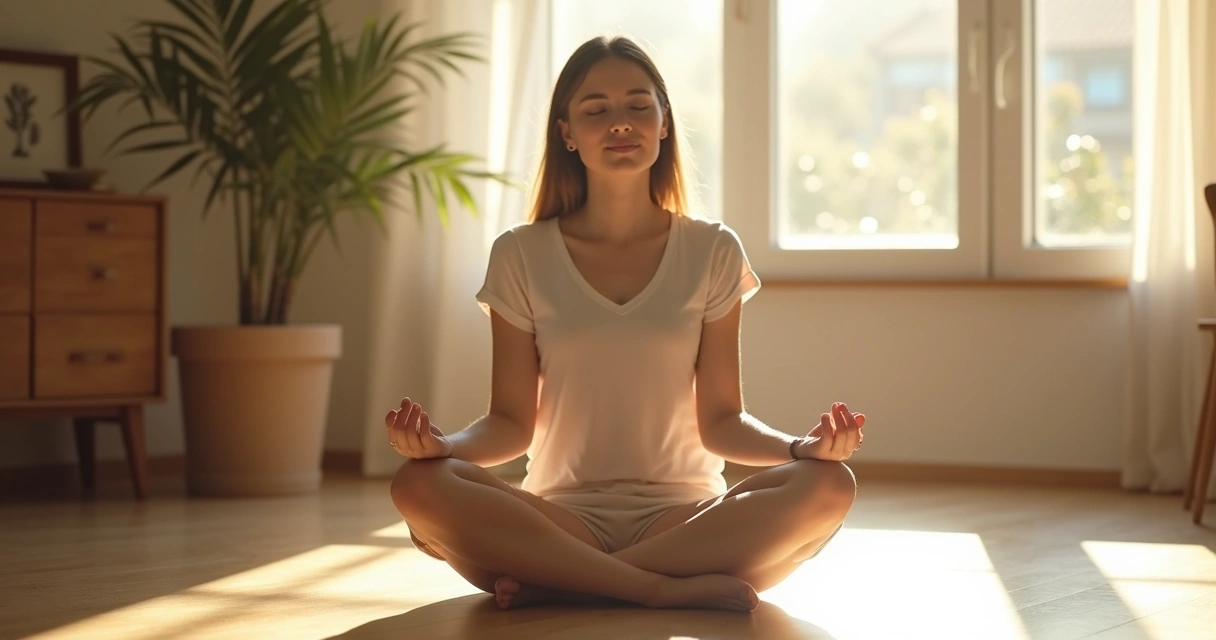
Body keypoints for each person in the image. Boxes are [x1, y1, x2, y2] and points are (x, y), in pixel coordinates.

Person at [388, 35, 865, 614]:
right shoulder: (519, 253)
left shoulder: (712, 249)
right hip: (559, 518)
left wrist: (800, 447)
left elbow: (722, 422)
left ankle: (562, 585)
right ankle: (656, 588)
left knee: (830, 484)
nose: (620, 122)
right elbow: (511, 423)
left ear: (664, 123)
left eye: (639, 105)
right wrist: (443, 446)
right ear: (566, 132)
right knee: (418, 484)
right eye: (597, 110)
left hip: (686, 520)